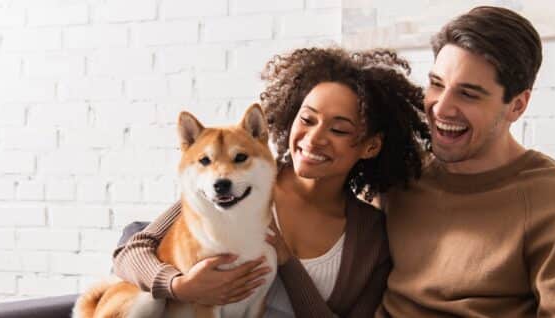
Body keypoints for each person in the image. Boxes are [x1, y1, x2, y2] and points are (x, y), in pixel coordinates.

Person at [112, 47, 431, 317]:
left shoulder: (370, 234)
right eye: (307, 119)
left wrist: (287, 262)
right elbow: (132, 250)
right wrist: (178, 285)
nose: (314, 138)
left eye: (338, 129)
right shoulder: (244, 185)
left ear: (371, 146)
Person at [376, 6, 555, 317]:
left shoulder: (551, 197)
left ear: (517, 106)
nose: (441, 108)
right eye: (436, 84)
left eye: (468, 94)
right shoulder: (401, 173)